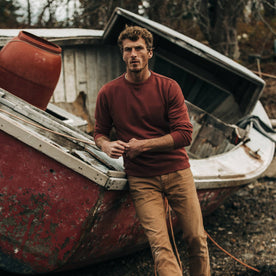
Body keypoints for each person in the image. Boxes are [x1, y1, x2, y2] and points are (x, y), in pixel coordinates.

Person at [94, 25, 210, 276]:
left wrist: (142, 145)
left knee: (197, 239)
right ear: (122, 54)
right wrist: (106, 145)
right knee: (160, 248)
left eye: (139, 49)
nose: (133, 54)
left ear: (150, 53)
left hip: (177, 172)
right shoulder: (108, 92)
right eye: (128, 50)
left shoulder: (168, 87)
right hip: (141, 179)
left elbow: (185, 134)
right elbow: (99, 132)